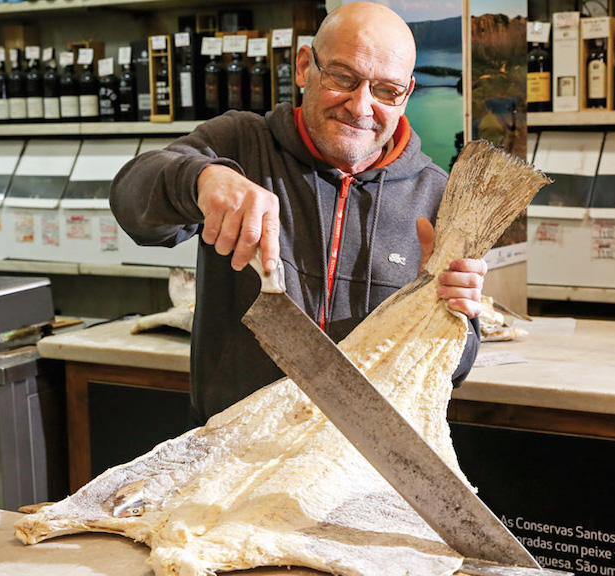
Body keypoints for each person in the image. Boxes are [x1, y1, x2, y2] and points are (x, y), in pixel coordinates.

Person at [111, 1, 488, 425]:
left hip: (364, 462)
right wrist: (201, 179)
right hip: (234, 450)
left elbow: (454, 370)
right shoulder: (239, 144)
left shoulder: (437, 194)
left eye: (386, 90)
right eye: (343, 78)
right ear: (305, 66)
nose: (361, 106)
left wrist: (450, 315)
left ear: (407, 94)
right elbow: (132, 202)